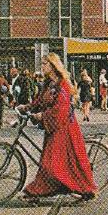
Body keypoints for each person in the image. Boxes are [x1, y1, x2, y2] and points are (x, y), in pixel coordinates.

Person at [18, 54, 98, 202]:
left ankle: (38, 192)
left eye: (44, 64)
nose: (42, 67)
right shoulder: (49, 84)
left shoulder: (62, 85)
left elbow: (61, 109)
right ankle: (40, 191)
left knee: (52, 164)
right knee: (54, 163)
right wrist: (27, 107)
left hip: (64, 128)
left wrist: (42, 116)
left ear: (53, 66)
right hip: (55, 129)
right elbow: (40, 100)